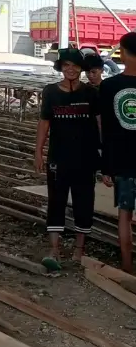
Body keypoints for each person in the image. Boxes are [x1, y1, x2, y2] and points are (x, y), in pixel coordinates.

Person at [36, 47, 100, 270]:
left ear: (81, 69)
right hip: (59, 156)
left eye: (74, 66)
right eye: (66, 66)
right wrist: (38, 151)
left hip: (86, 157)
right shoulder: (50, 92)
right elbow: (44, 122)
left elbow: (100, 123)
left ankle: (79, 250)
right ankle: (54, 249)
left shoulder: (91, 93)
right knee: (56, 201)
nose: (70, 69)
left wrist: (104, 152)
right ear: (61, 68)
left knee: (84, 201)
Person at [97, 30, 136, 274]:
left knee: (124, 215)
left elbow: (105, 128)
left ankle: (127, 265)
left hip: (122, 162)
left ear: (122, 53)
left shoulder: (109, 86)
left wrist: (106, 165)